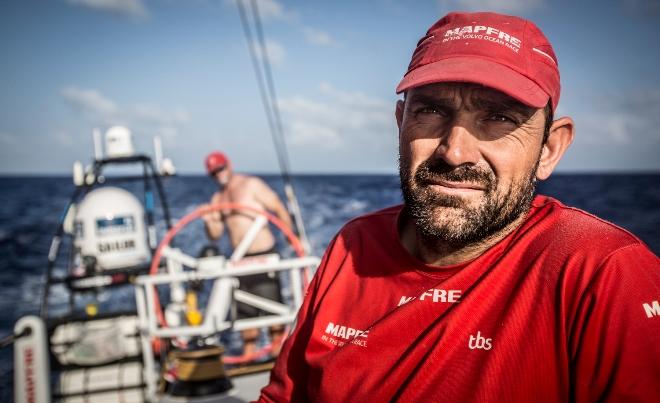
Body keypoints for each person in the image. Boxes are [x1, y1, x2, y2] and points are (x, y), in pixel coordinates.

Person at [258, 11, 660, 402]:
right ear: (401, 122)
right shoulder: (353, 245)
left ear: (549, 149)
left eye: (500, 117)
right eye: (432, 111)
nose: (454, 152)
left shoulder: (603, 272)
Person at [202, 151, 293, 359]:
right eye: (213, 172)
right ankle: (249, 360)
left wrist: (291, 236)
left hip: (263, 257)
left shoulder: (251, 184)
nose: (218, 174)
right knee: (245, 320)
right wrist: (209, 222)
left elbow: (277, 207)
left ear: (229, 165)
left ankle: (279, 360)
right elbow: (215, 235)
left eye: (221, 168)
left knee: (274, 319)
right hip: (239, 262)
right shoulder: (218, 198)